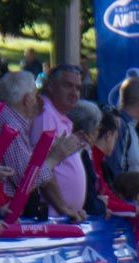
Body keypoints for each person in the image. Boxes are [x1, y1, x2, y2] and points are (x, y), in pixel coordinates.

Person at [0, 71, 80, 214]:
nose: (38, 98)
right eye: (35, 93)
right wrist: (54, 157)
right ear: (27, 99)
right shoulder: (11, 125)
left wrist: (64, 207)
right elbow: (25, 182)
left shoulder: (12, 120)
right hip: (4, 214)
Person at [32, 64, 87, 220]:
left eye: (78, 88)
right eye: (68, 85)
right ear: (50, 85)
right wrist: (62, 207)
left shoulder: (59, 116)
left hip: (63, 216)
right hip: (51, 217)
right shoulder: (45, 114)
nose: (74, 93)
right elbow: (41, 167)